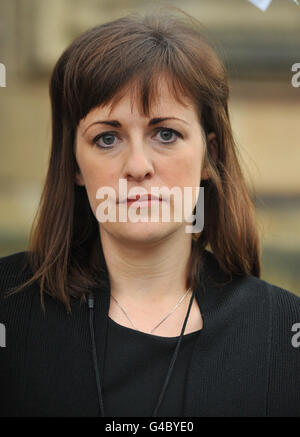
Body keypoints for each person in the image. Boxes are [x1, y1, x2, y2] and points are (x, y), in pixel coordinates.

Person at [0, 8, 299, 418]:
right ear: (73, 165)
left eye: (165, 134)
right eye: (107, 138)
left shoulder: (283, 333)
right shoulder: (8, 311)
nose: (138, 165)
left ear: (210, 155)